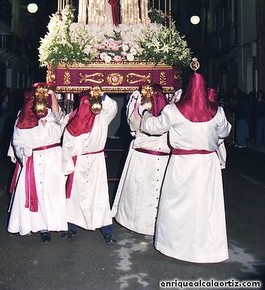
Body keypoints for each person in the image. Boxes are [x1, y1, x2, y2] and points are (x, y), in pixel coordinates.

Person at [139, 63, 231, 263]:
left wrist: (145, 112)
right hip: (207, 165)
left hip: (182, 164)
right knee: (205, 205)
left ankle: (175, 246)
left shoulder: (174, 110)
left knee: (177, 204)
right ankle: (206, 247)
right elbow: (224, 132)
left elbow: (153, 127)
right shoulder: (217, 111)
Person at [7, 86, 67, 243]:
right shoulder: (22, 117)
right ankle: (42, 227)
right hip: (33, 159)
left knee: (52, 193)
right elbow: (17, 141)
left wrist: (53, 95)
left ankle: (54, 223)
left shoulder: (54, 114)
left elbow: (63, 121)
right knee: (37, 194)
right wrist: (24, 152)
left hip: (53, 159)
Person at [112, 85, 170, 235]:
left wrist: (139, 106)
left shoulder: (163, 111)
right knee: (140, 193)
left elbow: (133, 125)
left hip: (146, 159)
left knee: (142, 193)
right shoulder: (170, 111)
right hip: (148, 158)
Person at [61, 88, 118, 243]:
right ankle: (71, 227)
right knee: (74, 196)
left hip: (96, 162)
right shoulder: (73, 123)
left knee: (99, 196)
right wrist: (67, 167)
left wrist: (101, 95)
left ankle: (107, 229)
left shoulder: (102, 118)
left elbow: (112, 107)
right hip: (78, 163)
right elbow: (66, 146)